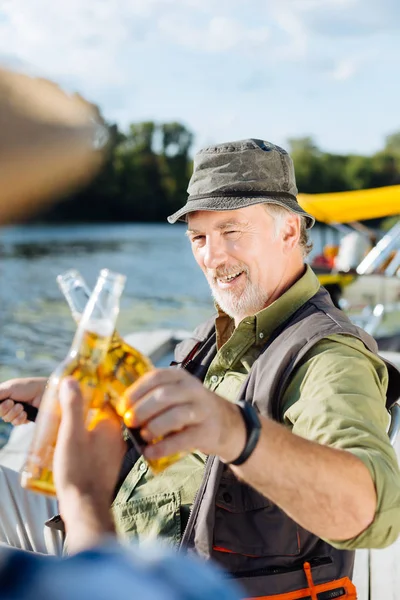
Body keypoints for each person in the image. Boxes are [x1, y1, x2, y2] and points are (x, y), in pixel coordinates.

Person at [1, 138, 400, 598]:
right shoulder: (223, 328)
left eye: (232, 232)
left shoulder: (328, 356)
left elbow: (368, 513)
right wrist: (63, 400)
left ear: (289, 232)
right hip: (126, 532)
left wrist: (237, 432)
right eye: (199, 237)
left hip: (177, 580)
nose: (213, 257)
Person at [0, 378, 240, 600]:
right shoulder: (215, 338)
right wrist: (58, 400)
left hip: (114, 544)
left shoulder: (186, 578)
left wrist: (84, 497)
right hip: (106, 516)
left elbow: (95, 586)